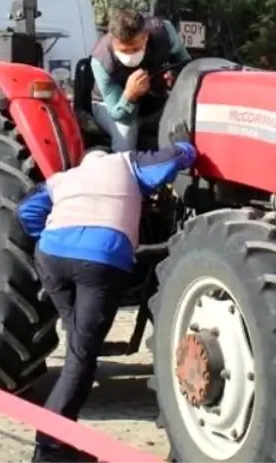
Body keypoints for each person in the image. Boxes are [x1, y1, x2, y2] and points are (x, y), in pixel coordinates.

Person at [17, 142, 198, 463]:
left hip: (52, 257)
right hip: (99, 260)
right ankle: (50, 449)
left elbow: (26, 211)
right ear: (107, 154)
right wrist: (186, 147)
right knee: (81, 357)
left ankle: (59, 443)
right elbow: (168, 163)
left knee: (78, 347)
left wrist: (49, 236)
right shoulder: (126, 163)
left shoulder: (65, 177)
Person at [89, 9, 192, 152]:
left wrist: (173, 75)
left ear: (146, 36)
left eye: (136, 48)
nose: (130, 56)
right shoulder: (101, 60)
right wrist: (129, 97)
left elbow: (186, 64)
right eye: (124, 51)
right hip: (109, 103)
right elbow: (117, 114)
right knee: (126, 130)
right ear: (113, 41)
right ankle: (122, 169)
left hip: (152, 97)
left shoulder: (164, 32)